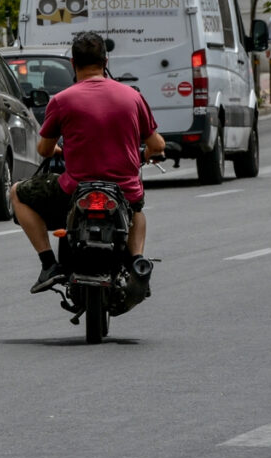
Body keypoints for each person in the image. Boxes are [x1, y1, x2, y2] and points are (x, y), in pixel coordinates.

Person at [11, 31, 165, 294]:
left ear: (73, 63)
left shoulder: (61, 100)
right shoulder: (132, 97)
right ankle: (137, 259)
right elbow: (158, 145)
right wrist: (147, 155)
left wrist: (61, 151)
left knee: (17, 192)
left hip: (74, 191)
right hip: (123, 191)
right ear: (106, 62)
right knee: (137, 210)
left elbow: (44, 149)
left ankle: (49, 264)